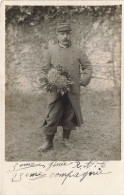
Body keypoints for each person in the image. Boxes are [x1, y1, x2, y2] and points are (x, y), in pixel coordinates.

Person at [38, 22, 92, 152]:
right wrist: (53, 78)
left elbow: (88, 67)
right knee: (52, 115)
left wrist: (82, 81)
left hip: (72, 89)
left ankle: (65, 140)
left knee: (70, 114)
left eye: (67, 33)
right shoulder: (50, 51)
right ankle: (48, 142)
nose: (65, 36)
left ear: (70, 34)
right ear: (57, 35)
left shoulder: (78, 51)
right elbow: (45, 68)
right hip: (55, 89)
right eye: (62, 34)